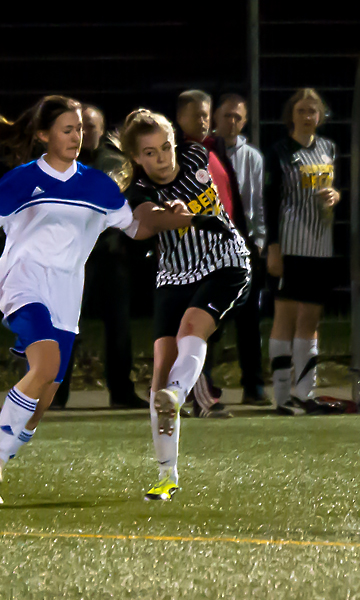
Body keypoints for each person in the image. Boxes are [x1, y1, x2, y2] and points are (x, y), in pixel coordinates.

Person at [0, 96, 216, 504]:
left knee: (42, 398)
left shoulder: (97, 185)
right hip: (23, 284)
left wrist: (172, 215)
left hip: (66, 297)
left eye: (79, 129)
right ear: (44, 135)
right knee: (47, 364)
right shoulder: (24, 179)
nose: (76, 136)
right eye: (67, 129)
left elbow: (135, 226)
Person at [119, 108, 251, 501]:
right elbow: (148, 220)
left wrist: (209, 214)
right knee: (160, 368)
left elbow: (223, 191)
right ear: (137, 158)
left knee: (191, 328)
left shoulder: (196, 155)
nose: (163, 159)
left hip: (224, 260)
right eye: (151, 153)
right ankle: (166, 475)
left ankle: (178, 393)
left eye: (166, 147)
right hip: (174, 273)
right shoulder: (139, 189)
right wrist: (178, 217)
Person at [53, 104, 147, 410]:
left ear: (101, 131)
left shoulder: (114, 161)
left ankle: (121, 391)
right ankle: (56, 394)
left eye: (90, 127)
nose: (84, 133)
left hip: (108, 255)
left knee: (119, 326)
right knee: (65, 325)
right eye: (79, 127)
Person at [176, 89, 251, 418]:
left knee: (205, 328)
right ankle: (201, 397)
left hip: (226, 254)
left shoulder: (213, 150)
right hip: (199, 256)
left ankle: (190, 391)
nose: (203, 120)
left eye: (206, 114)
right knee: (196, 327)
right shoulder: (176, 155)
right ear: (180, 118)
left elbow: (230, 200)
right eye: (197, 114)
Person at [265, 88, 339, 416]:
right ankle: (281, 397)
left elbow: (332, 192)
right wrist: (274, 248)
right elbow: (269, 202)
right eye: (301, 111)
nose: (308, 116)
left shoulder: (328, 149)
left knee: (310, 320)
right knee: (285, 317)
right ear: (290, 115)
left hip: (320, 246)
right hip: (291, 246)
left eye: (313, 110)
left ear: (320, 115)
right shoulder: (280, 152)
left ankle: (305, 393)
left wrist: (334, 197)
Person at [213, 93, 270, 406]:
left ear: (244, 121)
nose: (232, 122)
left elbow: (258, 202)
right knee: (212, 319)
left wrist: (259, 240)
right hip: (214, 241)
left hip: (245, 242)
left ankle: (254, 385)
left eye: (237, 117)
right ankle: (202, 384)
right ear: (216, 119)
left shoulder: (253, 158)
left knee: (249, 320)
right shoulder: (206, 154)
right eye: (227, 116)